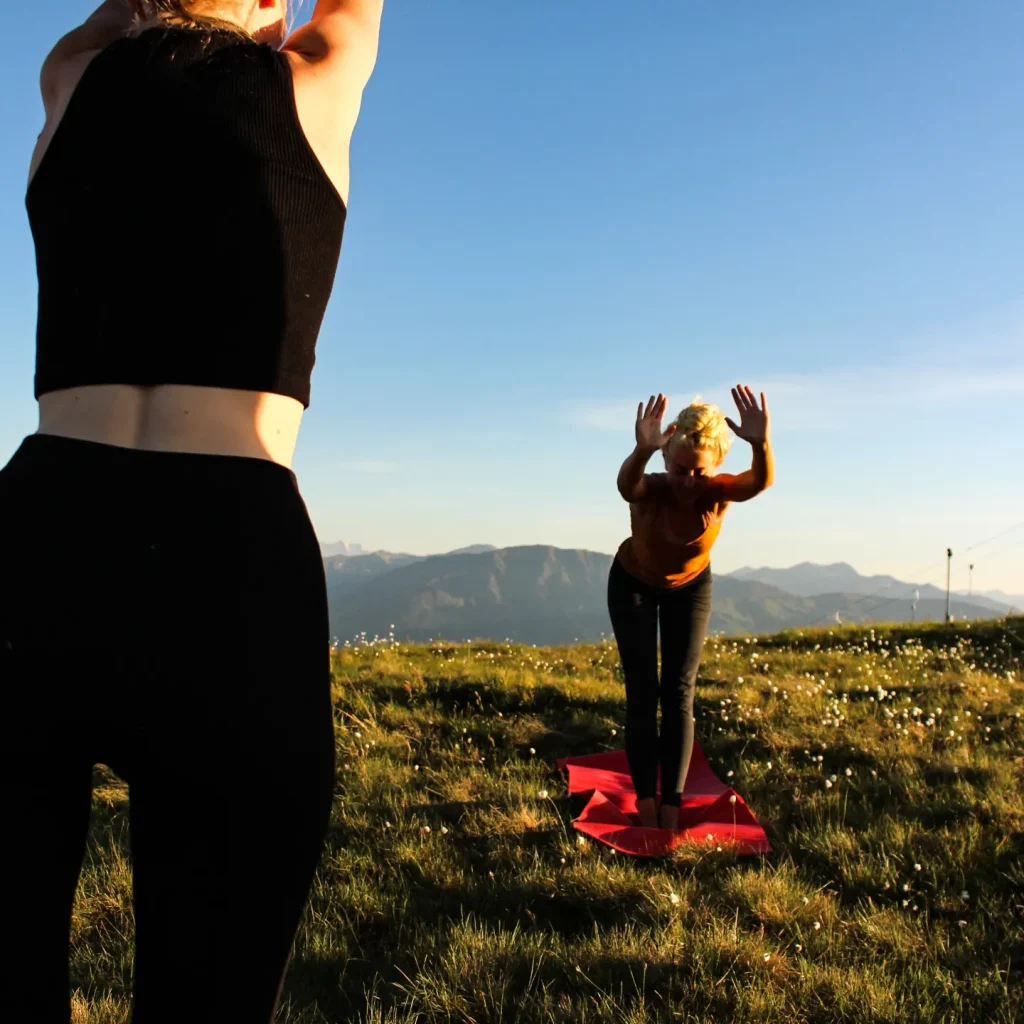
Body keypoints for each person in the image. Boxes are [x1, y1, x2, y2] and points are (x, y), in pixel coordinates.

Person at [1, 1, 383, 1020]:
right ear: (269, 10)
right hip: (230, 558)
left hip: (36, 536)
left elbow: (108, 27)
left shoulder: (73, 75)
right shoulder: (313, 81)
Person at [608, 386, 774, 830]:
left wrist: (760, 444)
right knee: (642, 691)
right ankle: (645, 802)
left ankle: (672, 806)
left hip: (691, 588)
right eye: (680, 469)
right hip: (633, 585)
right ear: (667, 458)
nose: (688, 481)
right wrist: (641, 451)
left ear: (715, 465)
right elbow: (628, 486)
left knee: (679, 693)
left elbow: (758, 482)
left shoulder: (718, 492)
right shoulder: (655, 487)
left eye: (698, 472)